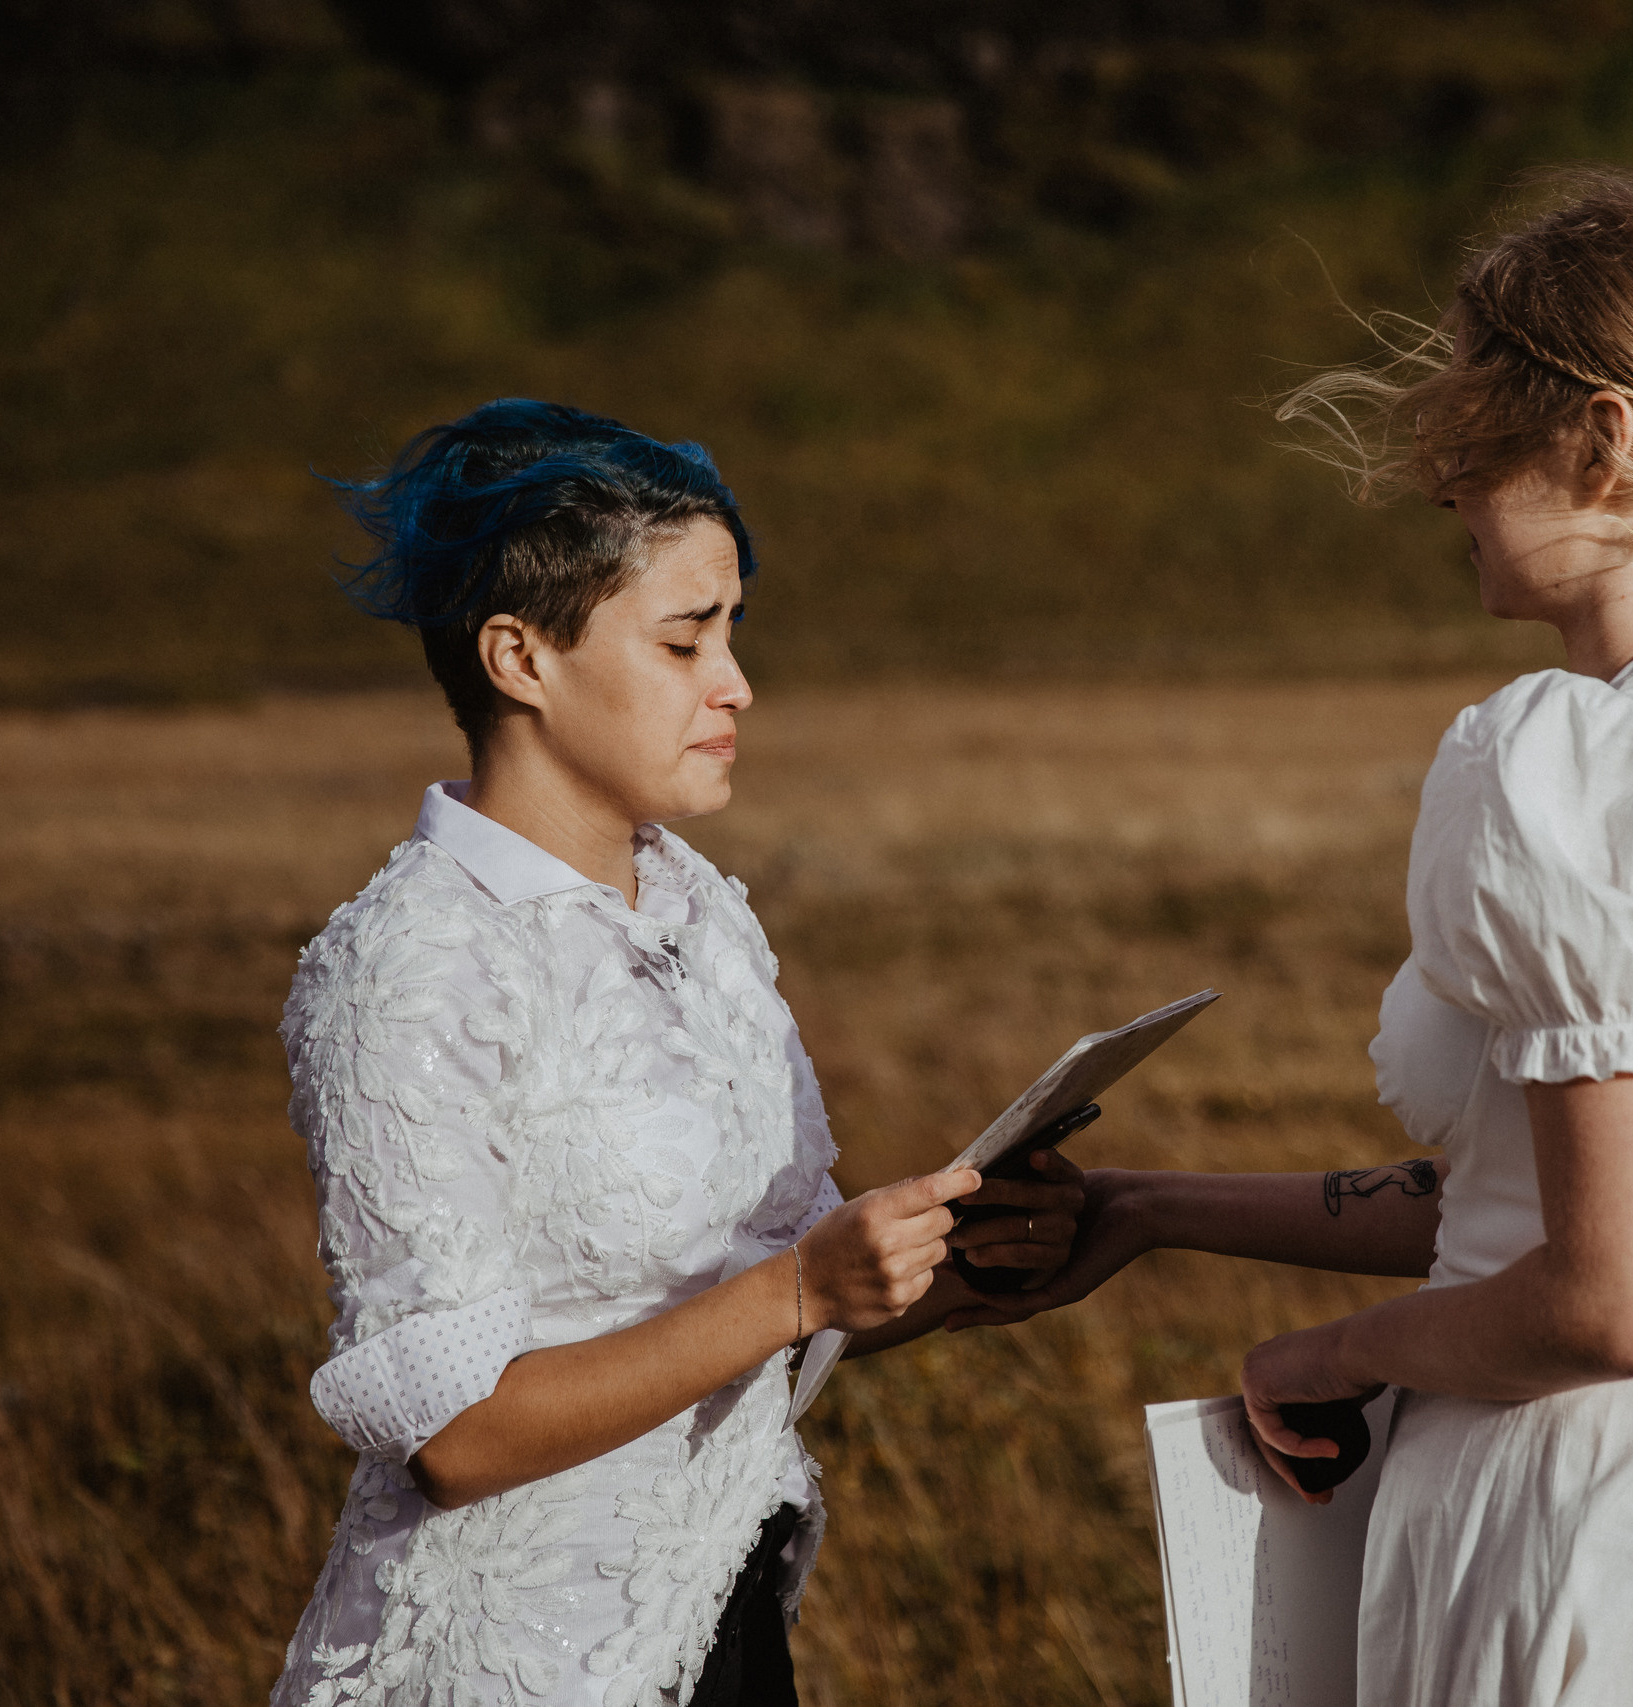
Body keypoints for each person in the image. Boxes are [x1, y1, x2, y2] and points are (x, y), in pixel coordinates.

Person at [956, 172, 1633, 1703]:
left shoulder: (1587, 772)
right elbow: (1523, 1202)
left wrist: (1328, 1358)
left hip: (1600, 1538)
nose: (1441, 482)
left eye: (1474, 426)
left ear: (1600, 441)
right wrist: (1146, 1205)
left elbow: (1614, 1302)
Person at [269, 400, 1084, 1707]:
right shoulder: (407, 971)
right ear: (518, 659)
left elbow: (776, 1285)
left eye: (733, 632)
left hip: (726, 1625)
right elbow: (455, 1438)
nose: (736, 683)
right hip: (515, 1669)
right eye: (683, 639)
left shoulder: (701, 909)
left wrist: (966, 1262)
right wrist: (801, 1294)